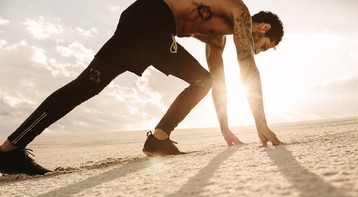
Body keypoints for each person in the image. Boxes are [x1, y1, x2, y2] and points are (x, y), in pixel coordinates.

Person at [0, 0, 284, 176]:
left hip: (141, 21)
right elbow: (247, 65)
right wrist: (261, 123)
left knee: (84, 86)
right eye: (264, 46)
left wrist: (224, 127)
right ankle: (159, 138)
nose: (258, 51)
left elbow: (217, 83)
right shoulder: (240, 12)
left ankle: (10, 148)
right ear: (263, 28)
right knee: (201, 80)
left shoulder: (216, 39)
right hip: (153, 18)